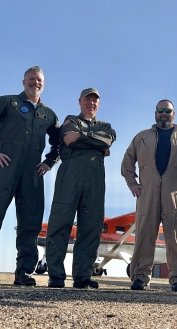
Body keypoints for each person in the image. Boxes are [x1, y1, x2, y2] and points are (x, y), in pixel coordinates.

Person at [0, 66, 60, 286]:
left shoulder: (48, 114)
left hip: (33, 173)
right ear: (23, 82)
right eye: (31, 79)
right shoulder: (7, 102)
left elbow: (60, 142)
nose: (35, 83)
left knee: (30, 223)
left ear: (43, 84)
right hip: (5, 167)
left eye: (39, 80)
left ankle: (24, 272)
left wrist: (49, 162)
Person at [121, 99, 177, 291]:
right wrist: (132, 183)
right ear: (155, 114)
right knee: (144, 234)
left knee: (175, 235)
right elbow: (127, 162)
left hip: (175, 194)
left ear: (174, 114)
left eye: (168, 110)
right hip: (147, 192)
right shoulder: (141, 137)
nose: (164, 114)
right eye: (160, 111)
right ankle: (140, 277)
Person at [45, 87, 116, 289]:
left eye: (95, 100)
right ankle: (56, 275)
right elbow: (69, 138)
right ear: (80, 101)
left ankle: (83, 276)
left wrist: (83, 138)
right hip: (70, 177)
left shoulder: (106, 126)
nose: (91, 103)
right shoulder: (70, 121)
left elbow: (107, 139)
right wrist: (96, 143)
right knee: (60, 223)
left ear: (99, 104)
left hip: (95, 180)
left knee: (91, 226)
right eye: (87, 99)